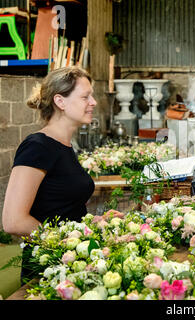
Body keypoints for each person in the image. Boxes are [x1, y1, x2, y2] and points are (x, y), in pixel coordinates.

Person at [2, 66, 97, 283]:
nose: (93, 102)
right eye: (85, 97)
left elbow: (62, 207)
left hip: (71, 262)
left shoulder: (63, 144)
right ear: (60, 102)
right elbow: (13, 221)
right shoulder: (38, 146)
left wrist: (93, 225)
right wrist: (66, 241)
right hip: (48, 269)